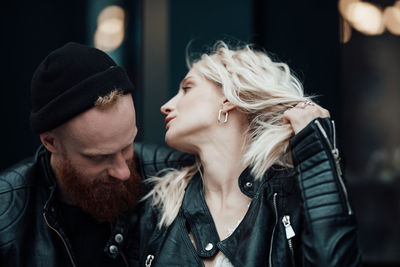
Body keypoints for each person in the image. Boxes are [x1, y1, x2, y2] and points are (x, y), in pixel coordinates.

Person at [136, 42, 362, 266]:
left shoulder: (288, 199)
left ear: (227, 99)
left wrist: (315, 151)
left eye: (187, 88)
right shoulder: (161, 202)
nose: (166, 106)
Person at [0, 42, 189, 267]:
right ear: (50, 142)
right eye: (100, 157)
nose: (123, 172)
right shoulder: (6, 219)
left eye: (128, 145)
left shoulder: (177, 174)